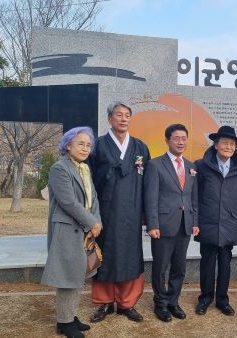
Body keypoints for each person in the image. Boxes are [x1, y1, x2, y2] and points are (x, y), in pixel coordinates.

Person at [87, 101, 150, 323]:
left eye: (127, 115)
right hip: (105, 211)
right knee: (105, 256)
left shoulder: (140, 147)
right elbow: (90, 181)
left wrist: (146, 214)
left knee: (129, 257)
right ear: (109, 119)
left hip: (132, 212)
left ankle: (126, 303)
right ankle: (105, 303)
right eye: (118, 115)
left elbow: (147, 184)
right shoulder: (98, 145)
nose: (123, 119)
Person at [41, 127, 102, 338]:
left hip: (84, 228)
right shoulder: (60, 168)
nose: (85, 148)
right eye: (80, 144)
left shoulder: (84, 168)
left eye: (88, 145)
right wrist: (91, 222)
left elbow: (93, 199)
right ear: (68, 145)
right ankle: (64, 322)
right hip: (67, 228)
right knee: (68, 276)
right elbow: (68, 202)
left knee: (78, 273)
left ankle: (70, 316)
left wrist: (97, 223)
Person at [145, 123, 199, 322]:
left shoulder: (191, 167)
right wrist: (152, 225)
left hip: (185, 225)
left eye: (184, 138)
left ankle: (173, 302)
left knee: (179, 267)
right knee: (160, 267)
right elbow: (150, 197)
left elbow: (194, 197)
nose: (180, 142)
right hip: (163, 225)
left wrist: (195, 220)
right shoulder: (155, 165)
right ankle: (160, 304)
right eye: (176, 138)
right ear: (167, 140)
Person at [194, 126, 237, 316]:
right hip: (207, 222)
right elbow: (196, 195)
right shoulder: (200, 166)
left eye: (232, 144)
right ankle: (205, 298)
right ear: (216, 144)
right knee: (207, 262)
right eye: (224, 143)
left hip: (229, 222)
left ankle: (222, 300)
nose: (228, 147)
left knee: (225, 262)